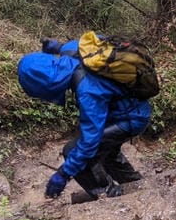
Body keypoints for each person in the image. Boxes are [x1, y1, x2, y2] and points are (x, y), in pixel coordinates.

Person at [17, 37, 151, 200]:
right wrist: (57, 47)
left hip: (130, 118)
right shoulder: (72, 50)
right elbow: (95, 40)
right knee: (107, 150)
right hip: (129, 108)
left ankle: (106, 194)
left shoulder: (88, 92)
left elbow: (89, 143)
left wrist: (63, 174)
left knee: (74, 150)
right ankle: (134, 184)